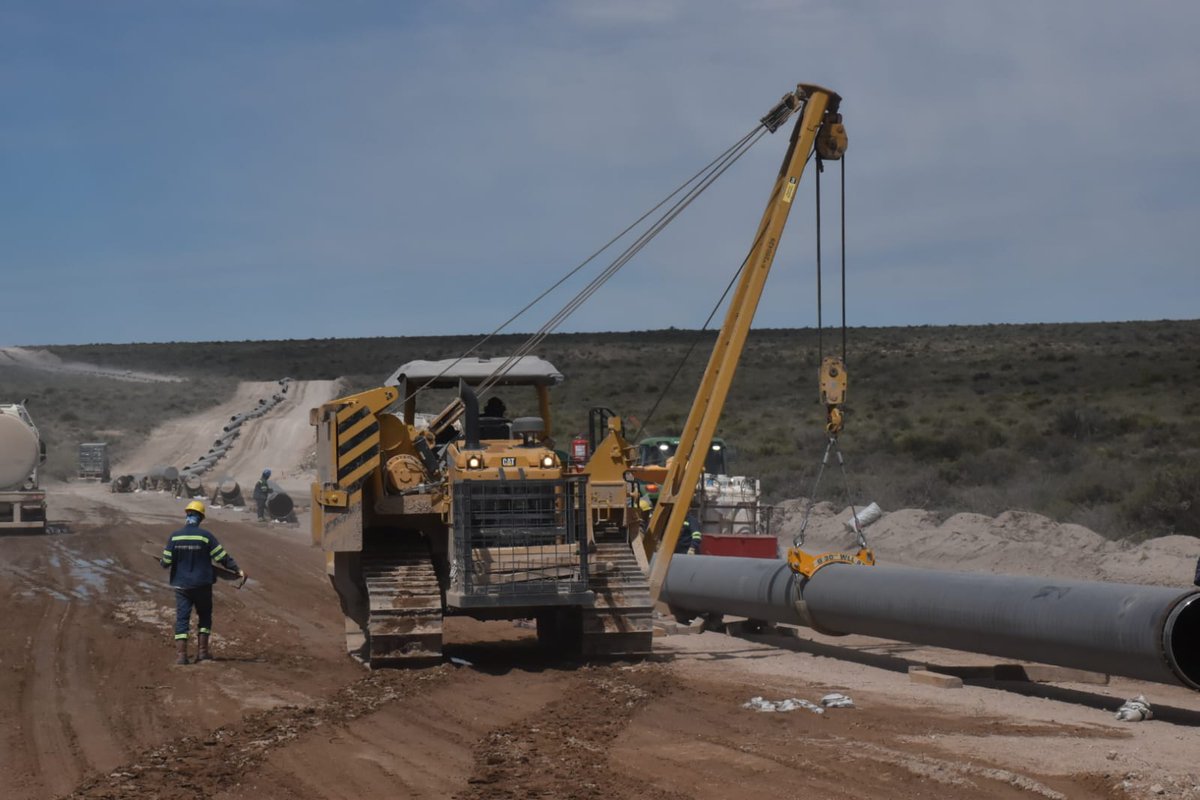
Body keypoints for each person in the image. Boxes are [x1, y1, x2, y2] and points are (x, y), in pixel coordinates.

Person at [160, 500, 245, 665]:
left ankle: (181, 656)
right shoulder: (206, 537)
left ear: (187, 516)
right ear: (201, 518)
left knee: (182, 619)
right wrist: (237, 570)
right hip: (202, 585)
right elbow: (222, 557)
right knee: (205, 616)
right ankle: (202, 652)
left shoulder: (174, 536)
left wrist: (165, 560)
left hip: (181, 586)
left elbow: (166, 562)